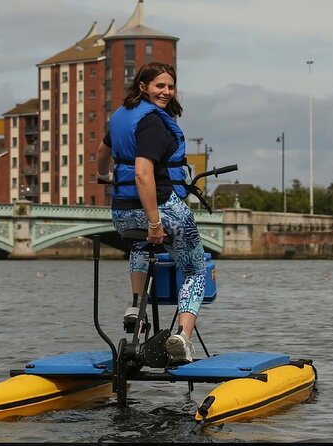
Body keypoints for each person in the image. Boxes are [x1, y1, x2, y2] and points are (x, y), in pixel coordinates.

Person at [96, 61, 207, 365]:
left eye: (170, 86)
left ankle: (135, 306)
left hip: (122, 213)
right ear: (143, 87)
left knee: (140, 244)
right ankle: (182, 339)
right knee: (196, 269)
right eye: (160, 86)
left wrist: (105, 176)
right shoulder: (153, 123)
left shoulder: (121, 115)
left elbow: (102, 154)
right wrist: (156, 221)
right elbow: (144, 174)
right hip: (160, 209)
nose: (167, 92)